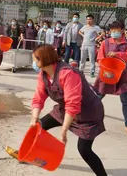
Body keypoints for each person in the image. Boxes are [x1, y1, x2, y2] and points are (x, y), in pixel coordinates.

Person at [29, 44, 107, 175]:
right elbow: (38, 98)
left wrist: (64, 130)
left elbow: (73, 104)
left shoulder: (67, 73)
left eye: (36, 60)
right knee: (38, 126)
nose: (34, 63)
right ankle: (34, 155)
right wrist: (34, 117)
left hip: (88, 114)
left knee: (84, 150)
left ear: (45, 59)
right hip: (65, 110)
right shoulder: (44, 74)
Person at [94, 21, 127, 135]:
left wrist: (117, 54)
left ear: (122, 30)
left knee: (125, 99)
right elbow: (99, 57)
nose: (114, 32)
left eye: (117, 30)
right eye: (112, 30)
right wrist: (104, 65)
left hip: (121, 74)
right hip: (106, 73)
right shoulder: (105, 43)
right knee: (97, 96)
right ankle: (83, 115)